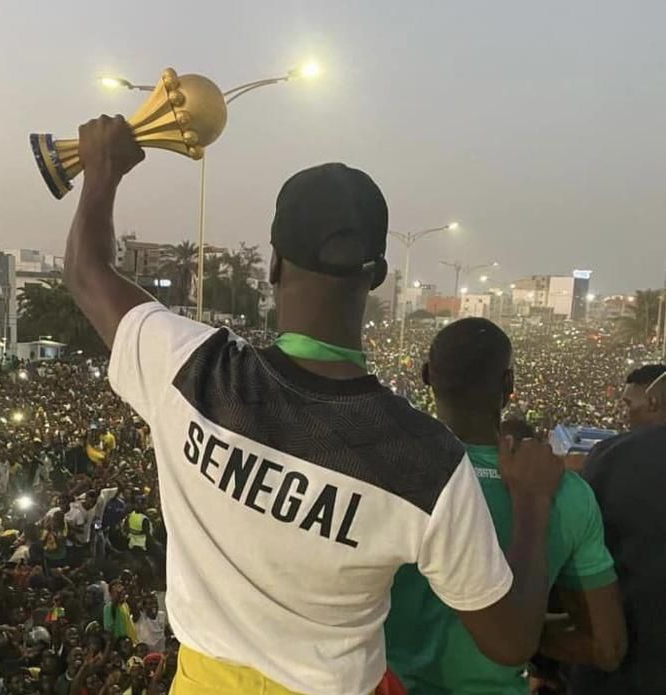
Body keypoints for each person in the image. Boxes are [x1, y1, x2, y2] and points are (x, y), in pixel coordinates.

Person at [62, 116, 565, 694]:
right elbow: (509, 641)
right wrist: (531, 504)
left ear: (273, 265)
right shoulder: (424, 460)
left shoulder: (192, 371)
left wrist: (102, 172)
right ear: (375, 276)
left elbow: (86, 271)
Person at [385, 318, 627, 694]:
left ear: (426, 376)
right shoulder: (565, 492)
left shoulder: (382, 470)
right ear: (509, 385)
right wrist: (507, 627)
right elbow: (607, 646)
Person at [570, 364, 666, 694]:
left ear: (653, 401)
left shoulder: (612, 455)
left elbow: (577, 547)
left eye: (629, 405)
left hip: (627, 658)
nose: (626, 417)